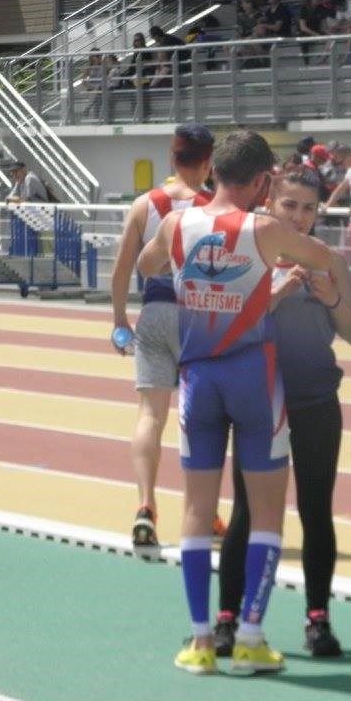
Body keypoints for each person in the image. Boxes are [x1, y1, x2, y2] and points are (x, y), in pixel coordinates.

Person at [137, 130, 333, 676]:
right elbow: (324, 258)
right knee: (267, 510)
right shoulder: (265, 230)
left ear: (214, 172)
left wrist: (188, 264)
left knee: (196, 511)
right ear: (261, 181)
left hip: (198, 380)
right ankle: (249, 637)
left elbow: (148, 265)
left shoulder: (177, 223)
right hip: (254, 378)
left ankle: (201, 641)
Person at [216, 168, 351, 659]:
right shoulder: (249, 256)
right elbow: (229, 328)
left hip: (317, 400)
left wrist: (332, 297)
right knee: (248, 511)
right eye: (290, 206)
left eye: (308, 208)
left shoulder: (329, 259)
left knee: (316, 510)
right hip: (260, 403)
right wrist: (277, 293)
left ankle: (317, 618)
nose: (299, 217)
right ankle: (228, 618)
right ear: (270, 205)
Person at [110, 125, 216, 548]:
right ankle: (204, 512)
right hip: (198, 317)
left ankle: (145, 506)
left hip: (154, 312)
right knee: (200, 419)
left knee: (150, 415)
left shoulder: (144, 205)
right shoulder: (214, 207)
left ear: (172, 158)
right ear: (208, 163)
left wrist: (120, 321)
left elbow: (122, 270)